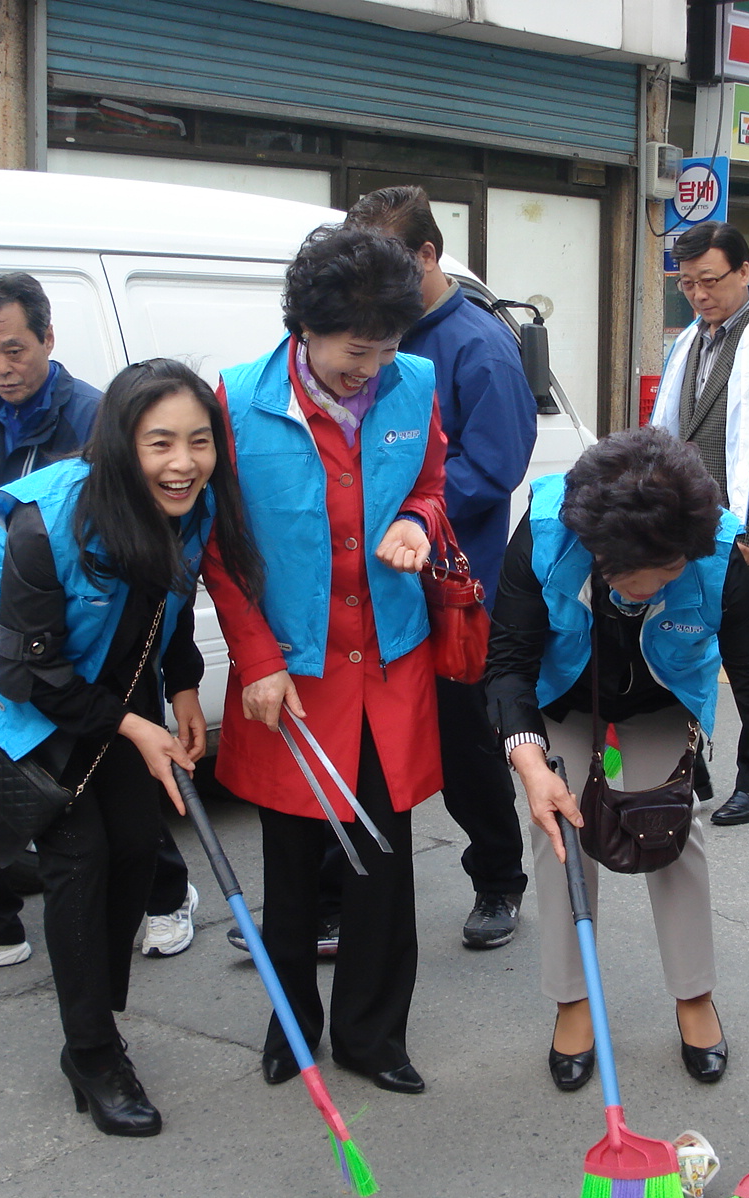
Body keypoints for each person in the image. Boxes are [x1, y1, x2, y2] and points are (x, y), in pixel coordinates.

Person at [0, 358, 265, 1136]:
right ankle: (91, 1051)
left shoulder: (193, 506)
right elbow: (27, 672)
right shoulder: (46, 522)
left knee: (138, 848)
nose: (183, 463)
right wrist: (138, 726)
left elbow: (164, 607)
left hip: (109, 691)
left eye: (199, 441)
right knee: (80, 859)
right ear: (119, 444)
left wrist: (184, 688)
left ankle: (98, 1015)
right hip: (13, 700)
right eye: (160, 443)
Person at [483, 427, 749, 1091]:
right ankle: (573, 1001)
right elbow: (509, 664)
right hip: (563, 695)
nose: (663, 582)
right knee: (559, 834)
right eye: (647, 574)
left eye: (674, 569)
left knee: (672, 826)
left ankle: (694, 996)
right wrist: (533, 768)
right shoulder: (546, 533)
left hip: (661, 698)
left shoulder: (715, 553)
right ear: (601, 554)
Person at [202, 224, 447, 1096]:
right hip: (290, 672)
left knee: (383, 861)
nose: (369, 369)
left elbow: (432, 481)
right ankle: (292, 1027)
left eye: (385, 349)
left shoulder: (415, 384)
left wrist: (415, 520)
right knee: (294, 865)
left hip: (387, 666)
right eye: (354, 350)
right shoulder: (237, 401)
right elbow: (221, 546)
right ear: (304, 326)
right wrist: (256, 656)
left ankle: (374, 1035)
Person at [0, 273, 198, 979]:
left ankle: (164, 895)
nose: (1, 368)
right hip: (11, 640)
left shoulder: (98, 417)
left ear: (48, 338)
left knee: (117, 792)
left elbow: (163, 563)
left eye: (14, 350)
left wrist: (178, 675)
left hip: (100, 641)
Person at [343, 185, 537, 948]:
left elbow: (495, 465)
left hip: (450, 588)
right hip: (366, 582)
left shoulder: (478, 345)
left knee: (466, 748)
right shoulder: (369, 333)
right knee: (354, 743)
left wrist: (400, 509)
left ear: (428, 255)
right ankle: (334, 897)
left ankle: (499, 880)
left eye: (388, 264)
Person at [649, 221, 749, 828]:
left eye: (710, 281)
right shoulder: (691, 340)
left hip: (747, 539)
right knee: (679, 649)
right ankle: (686, 766)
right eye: (688, 283)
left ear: (744, 272)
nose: (699, 294)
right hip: (691, 530)